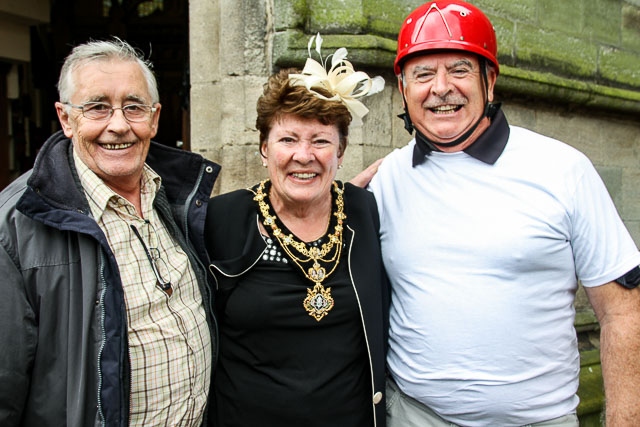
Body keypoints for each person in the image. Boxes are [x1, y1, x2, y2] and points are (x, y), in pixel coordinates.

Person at [366, 1, 640, 426]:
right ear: (403, 88)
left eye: (458, 70)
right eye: (423, 74)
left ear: (489, 81)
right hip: (414, 417)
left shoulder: (563, 170)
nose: (441, 88)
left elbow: (623, 312)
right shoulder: (387, 180)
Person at [0, 38, 220, 426]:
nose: (118, 125)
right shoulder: (16, 226)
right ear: (66, 118)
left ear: (154, 118)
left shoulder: (177, 198)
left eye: (133, 107)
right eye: (97, 107)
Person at [204, 34, 388, 427]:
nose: (303, 155)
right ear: (264, 148)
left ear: (340, 151)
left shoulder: (364, 212)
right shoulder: (221, 219)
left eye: (320, 141)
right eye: (288, 139)